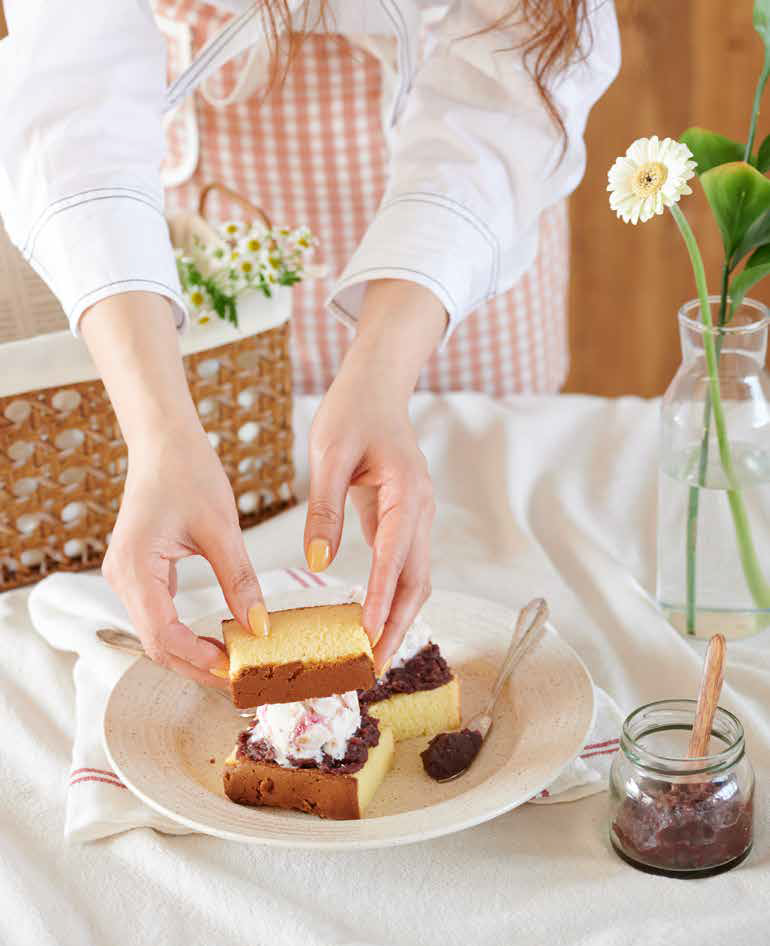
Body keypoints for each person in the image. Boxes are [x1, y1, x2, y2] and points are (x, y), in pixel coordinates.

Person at [0, 1, 619, 684]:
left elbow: (516, 71)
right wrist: (159, 434)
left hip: (465, 215)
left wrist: (385, 370)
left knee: (487, 531)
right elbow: (73, 86)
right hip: (216, 222)